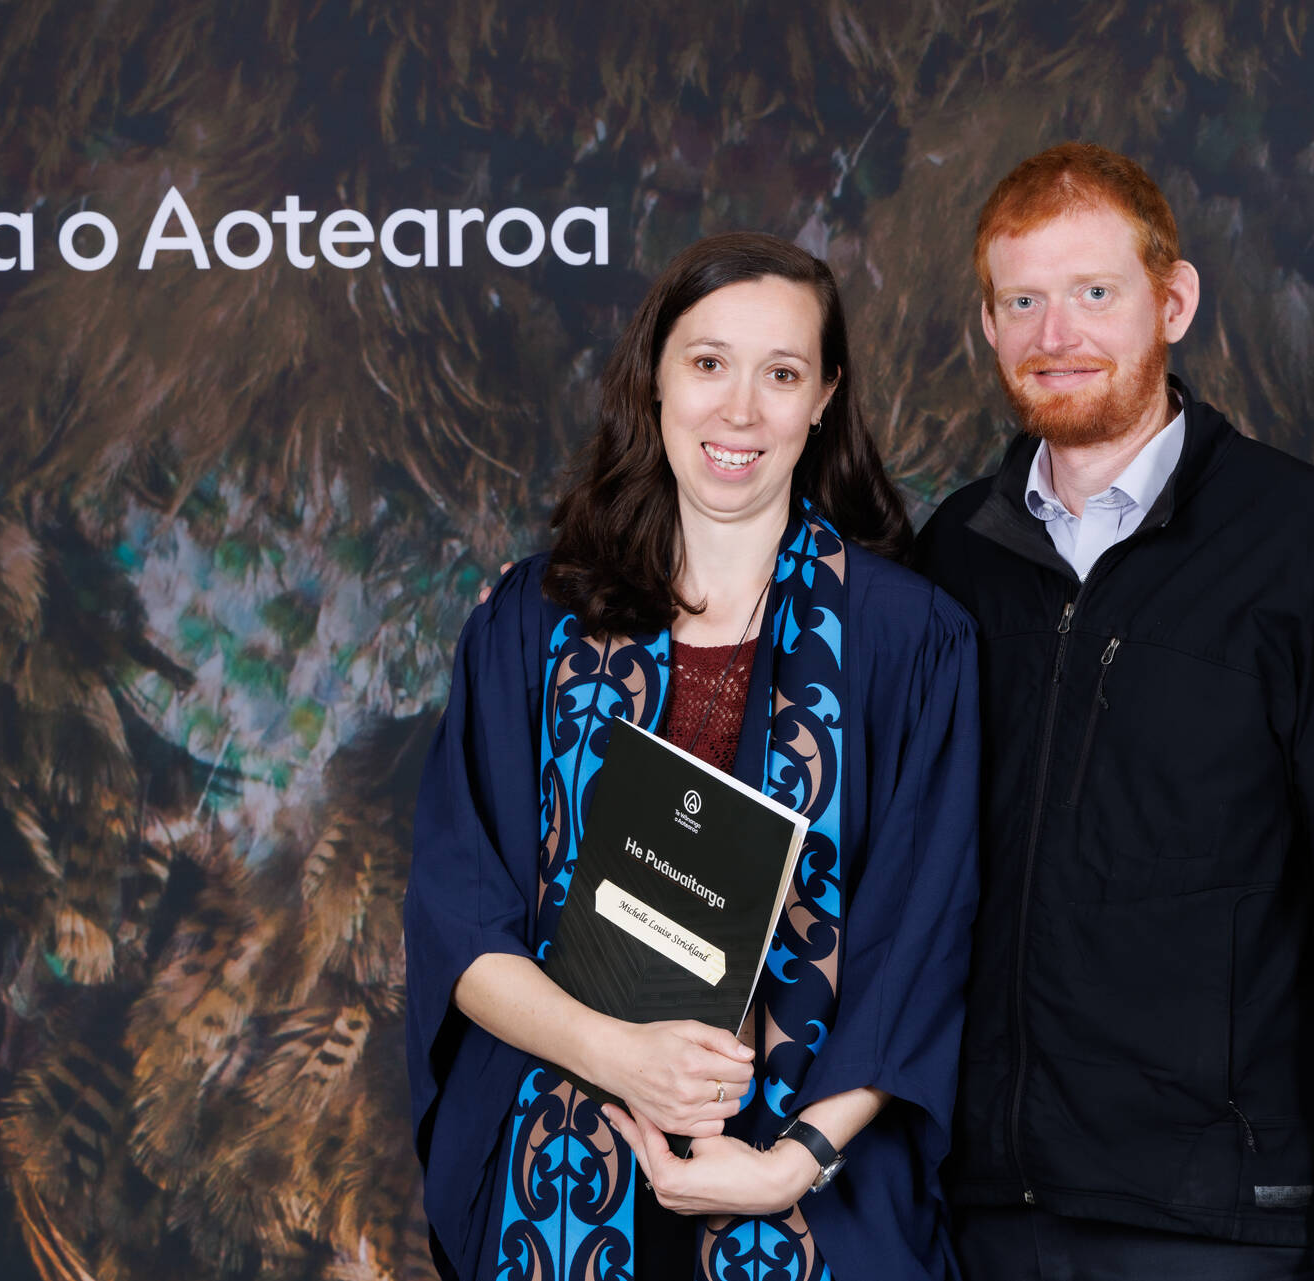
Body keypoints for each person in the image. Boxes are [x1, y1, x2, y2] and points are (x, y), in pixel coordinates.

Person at [405, 232, 981, 1281]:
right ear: (655, 378)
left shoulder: (909, 642)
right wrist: (620, 1056)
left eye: (782, 374)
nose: (740, 411)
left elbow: (920, 942)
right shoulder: (531, 624)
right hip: (559, 1168)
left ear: (825, 397)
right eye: (709, 363)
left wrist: (792, 1162)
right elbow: (461, 916)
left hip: (810, 1192)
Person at [915, 144, 1314, 1280]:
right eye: (1024, 301)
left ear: (1173, 301)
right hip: (983, 1218)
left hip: (1216, 1227)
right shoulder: (953, 556)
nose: (1057, 333)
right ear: (991, 325)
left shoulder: (1305, 543)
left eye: (1094, 291)